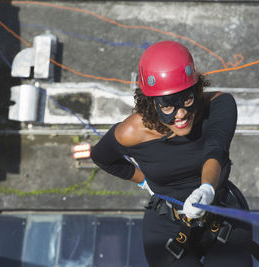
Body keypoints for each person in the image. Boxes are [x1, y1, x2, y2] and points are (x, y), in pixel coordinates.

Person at [91, 40, 253, 266]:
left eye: (187, 100)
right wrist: (143, 180)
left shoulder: (219, 105)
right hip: (167, 224)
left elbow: (215, 150)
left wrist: (206, 188)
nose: (181, 114)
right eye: (168, 107)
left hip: (221, 211)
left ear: (196, 90)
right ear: (151, 105)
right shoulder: (131, 132)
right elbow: (102, 157)